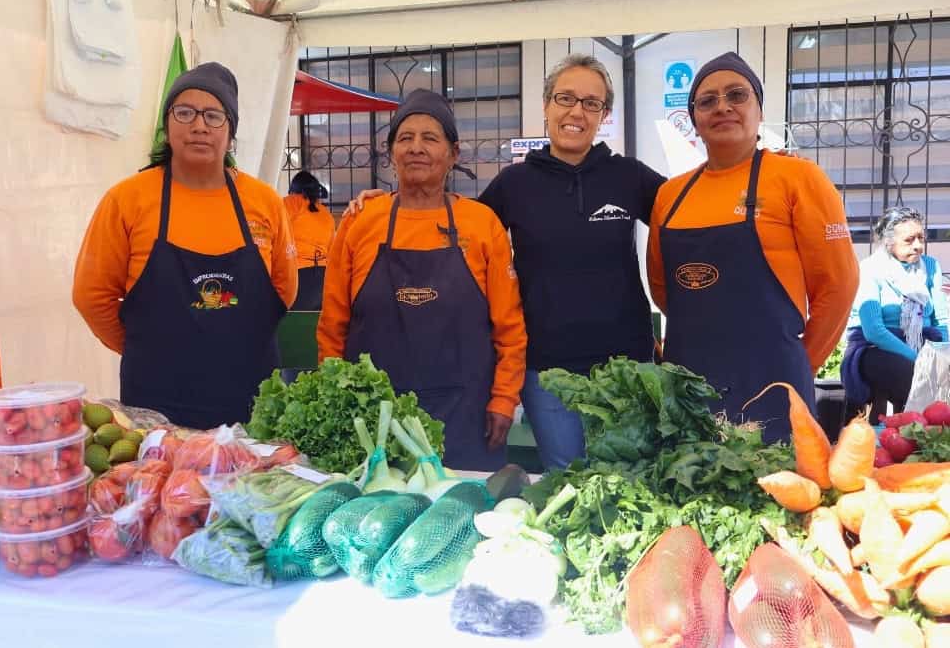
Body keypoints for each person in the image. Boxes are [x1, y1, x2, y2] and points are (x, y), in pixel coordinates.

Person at [345, 54, 666, 470]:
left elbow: (687, 214)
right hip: (546, 374)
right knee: (566, 485)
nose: (576, 112)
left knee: (631, 483)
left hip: (627, 369)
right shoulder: (515, 183)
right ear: (547, 105)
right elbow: (452, 222)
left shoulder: (630, 177)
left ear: (604, 114)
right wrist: (390, 204)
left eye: (591, 103)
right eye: (565, 98)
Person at [647, 52, 859, 443]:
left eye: (736, 95)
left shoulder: (798, 178)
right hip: (689, 383)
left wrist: (798, 366)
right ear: (694, 118)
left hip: (774, 383)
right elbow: (663, 289)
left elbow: (838, 286)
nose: (722, 106)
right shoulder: (670, 194)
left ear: (759, 109)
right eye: (707, 100)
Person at [73, 62, 298, 428]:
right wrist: (146, 348)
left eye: (213, 116)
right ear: (166, 126)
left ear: (231, 133)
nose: (198, 126)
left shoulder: (264, 202)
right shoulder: (127, 200)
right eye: (185, 112)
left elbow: (284, 290)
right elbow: (91, 295)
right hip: (157, 403)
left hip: (251, 400)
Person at [317, 89, 526, 472]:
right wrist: (336, 398)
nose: (416, 148)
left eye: (430, 138)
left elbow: (509, 329)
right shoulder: (360, 221)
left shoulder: (482, 225)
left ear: (453, 153)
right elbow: (333, 325)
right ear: (391, 151)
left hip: (467, 414)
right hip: (375, 420)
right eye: (405, 138)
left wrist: (503, 399)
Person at [841, 207, 948, 421]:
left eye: (921, 238)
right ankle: (908, 436)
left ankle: (928, 442)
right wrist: (919, 360)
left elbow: (942, 320)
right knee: (913, 376)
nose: (918, 245)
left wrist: (942, 356)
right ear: (888, 242)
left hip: (923, 347)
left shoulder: (930, 267)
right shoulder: (871, 269)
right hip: (874, 348)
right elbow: (874, 331)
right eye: (909, 240)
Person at [283, 170, 335, 311]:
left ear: (294, 189)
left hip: (298, 275)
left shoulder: (291, 203)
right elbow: (332, 252)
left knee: (291, 325)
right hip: (323, 279)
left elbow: (273, 231)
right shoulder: (326, 215)